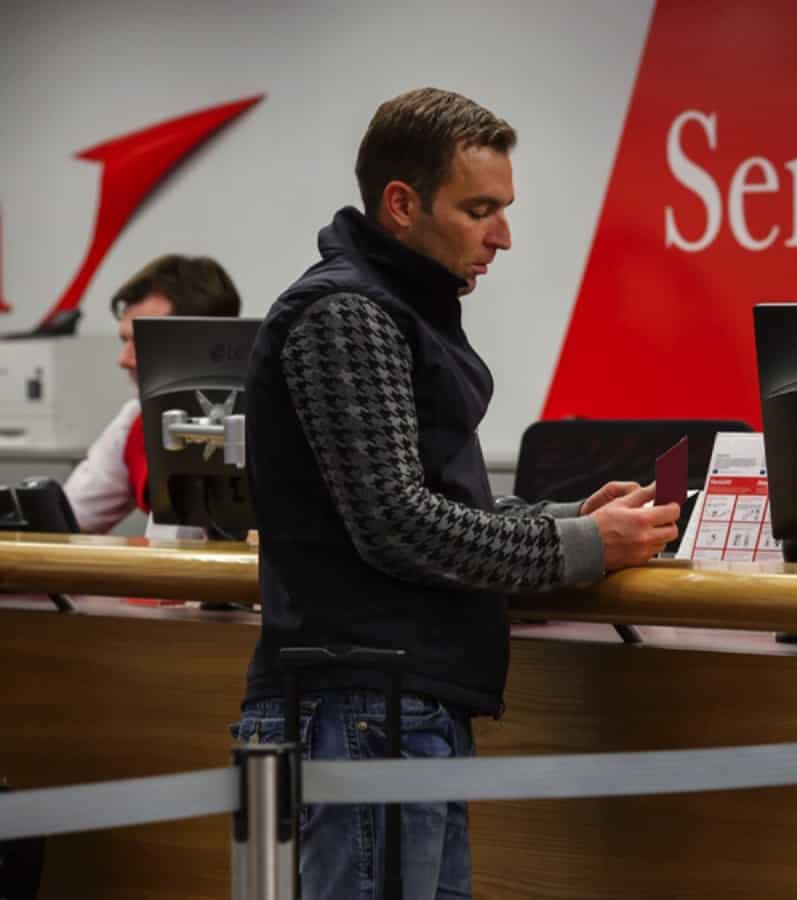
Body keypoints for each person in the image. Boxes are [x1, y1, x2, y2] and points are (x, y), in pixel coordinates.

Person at [233, 88, 680, 899]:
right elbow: (398, 525)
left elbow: (420, 501)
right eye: (479, 210)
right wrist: (579, 548)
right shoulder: (348, 314)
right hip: (358, 710)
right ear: (401, 205)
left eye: (502, 209)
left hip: (387, 711)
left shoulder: (396, 310)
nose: (502, 236)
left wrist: (562, 521)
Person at [62, 254, 241, 536]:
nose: (124, 359)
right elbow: (70, 519)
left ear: (202, 340)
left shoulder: (277, 421)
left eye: (142, 340)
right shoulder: (135, 420)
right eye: (124, 340)